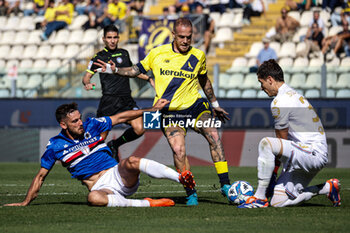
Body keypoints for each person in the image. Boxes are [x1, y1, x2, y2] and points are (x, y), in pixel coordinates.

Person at [93, 18, 232, 206]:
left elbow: (204, 80)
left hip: (195, 107)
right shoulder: (157, 53)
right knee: (178, 150)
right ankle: (190, 191)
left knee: (213, 134)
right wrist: (114, 69)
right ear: (173, 35)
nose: (185, 41)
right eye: (181, 37)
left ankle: (226, 185)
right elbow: (136, 70)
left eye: (189, 37)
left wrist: (214, 104)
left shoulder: (198, 55)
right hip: (170, 112)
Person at [4, 99, 197, 207]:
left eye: (80, 119)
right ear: (63, 125)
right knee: (93, 198)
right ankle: (148, 203)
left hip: (118, 175)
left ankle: (182, 178)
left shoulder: (92, 125)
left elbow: (121, 117)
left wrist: (151, 109)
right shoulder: (54, 146)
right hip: (101, 188)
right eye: (74, 122)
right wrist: (25, 202)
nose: (80, 123)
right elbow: (40, 176)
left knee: (131, 161)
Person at [238, 59, 341, 208]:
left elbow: (281, 141)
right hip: (309, 154)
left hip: (310, 152)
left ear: (270, 80)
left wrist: (272, 175)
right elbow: (284, 146)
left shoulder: (280, 101)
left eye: (261, 82)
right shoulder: (291, 94)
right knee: (278, 202)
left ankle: (259, 198)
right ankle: (327, 188)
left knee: (266, 143)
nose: (261, 88)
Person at [82, 25, 153, 162]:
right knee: (100, 138)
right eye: (109, 38)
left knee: (140, 128)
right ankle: (93, 166)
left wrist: (149, 79)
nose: (112, 40)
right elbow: (86, 77)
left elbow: (133, 71)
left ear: (118, 38)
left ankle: (115, 144)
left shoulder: (124, 53)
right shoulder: (99, 57)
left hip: (126, 100)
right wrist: (87, 84)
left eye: (115, 37)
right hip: (109, 101)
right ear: (104, 39)